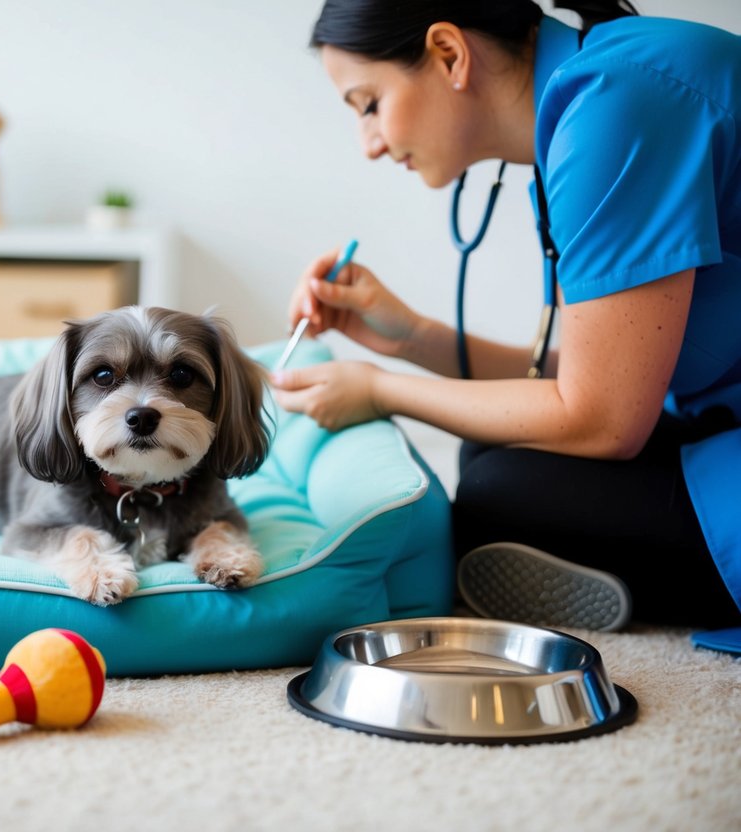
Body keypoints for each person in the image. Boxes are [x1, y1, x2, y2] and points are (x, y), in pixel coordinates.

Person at [272, 0, 741, 635]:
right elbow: (600, 369)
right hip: (712, 419)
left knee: (501, 492)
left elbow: (603, 418)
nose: (370, 145)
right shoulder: (589, 102)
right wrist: (408, 336)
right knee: (487, 447)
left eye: (368, 104)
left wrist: (379, 391)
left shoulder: (616, 107)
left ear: (449, 54)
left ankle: (673, 588)